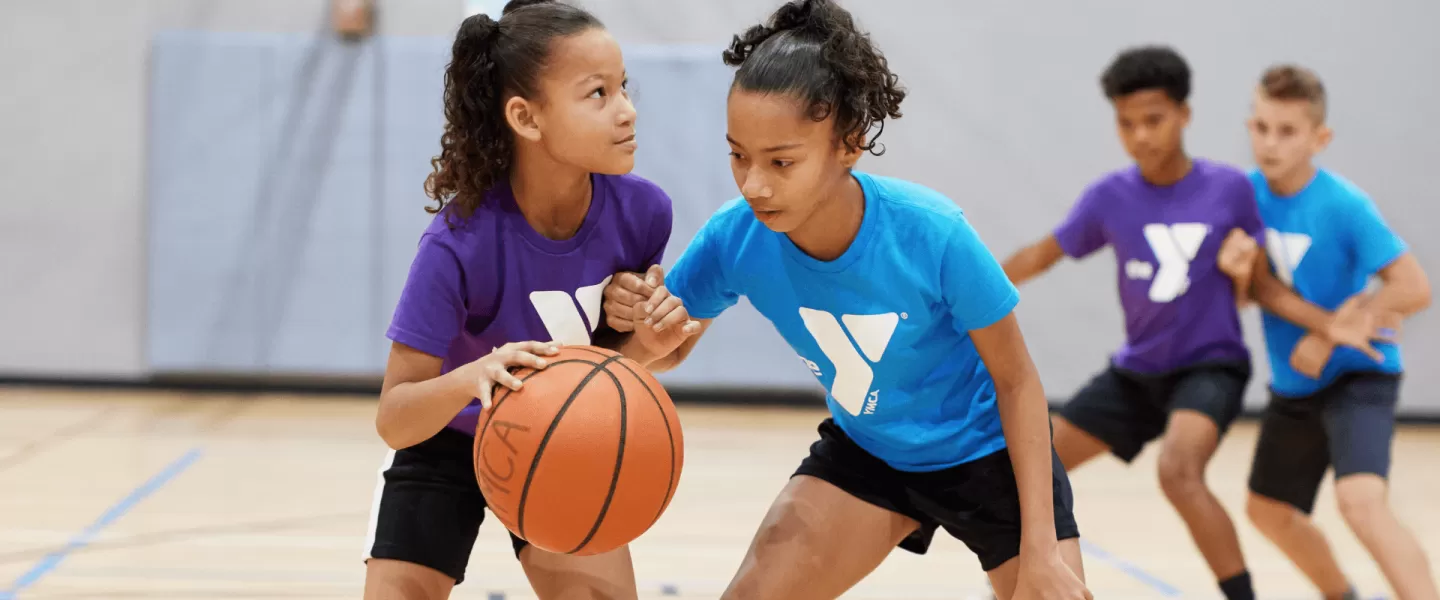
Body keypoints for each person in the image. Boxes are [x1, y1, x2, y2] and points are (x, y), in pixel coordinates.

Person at [602, 1, 1088, 598]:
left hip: (989, 457)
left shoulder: (932, 232)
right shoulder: (736, 237)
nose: (754, 183)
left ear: (849, 144)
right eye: (738, 155)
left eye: (781, 161)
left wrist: (1039, 548)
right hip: (870, 454)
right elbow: (665, 348)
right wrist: (649, 342)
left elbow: (1018, 383)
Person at [363, 1, 687, 598]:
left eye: (624, 87)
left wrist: (652, 339)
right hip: (447, 438)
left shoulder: (644, 213)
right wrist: (474, 377)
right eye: (598, 94)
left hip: (560, 436)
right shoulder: (457, 242)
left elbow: (623, 363)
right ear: (526, 118)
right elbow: (395, 416)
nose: (627, 110)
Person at [998, 45, 1261, 600]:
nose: (1140, 135)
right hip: (1137, 370)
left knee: (1178, 470)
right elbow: (1041, 255)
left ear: (1184, 115)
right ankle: (1020, 588)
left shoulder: (1231, 189)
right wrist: (965, 295)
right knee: (1026, 470)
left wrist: (1246, 270)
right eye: (1126, 123)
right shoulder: (1109, 197)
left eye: (1154, 120)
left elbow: (1259, 282)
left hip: (1211, 364)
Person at [1217, 64, 1438, 600]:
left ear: (1321, 138)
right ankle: (1342, 595)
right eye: (1261, 127)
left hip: (1361, 373)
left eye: (1287, 131)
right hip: (1297, 383)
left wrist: (1338, 332)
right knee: (1266, 510)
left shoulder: (1343, 204)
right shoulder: (1240, 196)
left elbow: (1413, 287)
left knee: (1360, 502)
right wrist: (1236, 270)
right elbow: (1249, 296)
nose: (1269, 143)